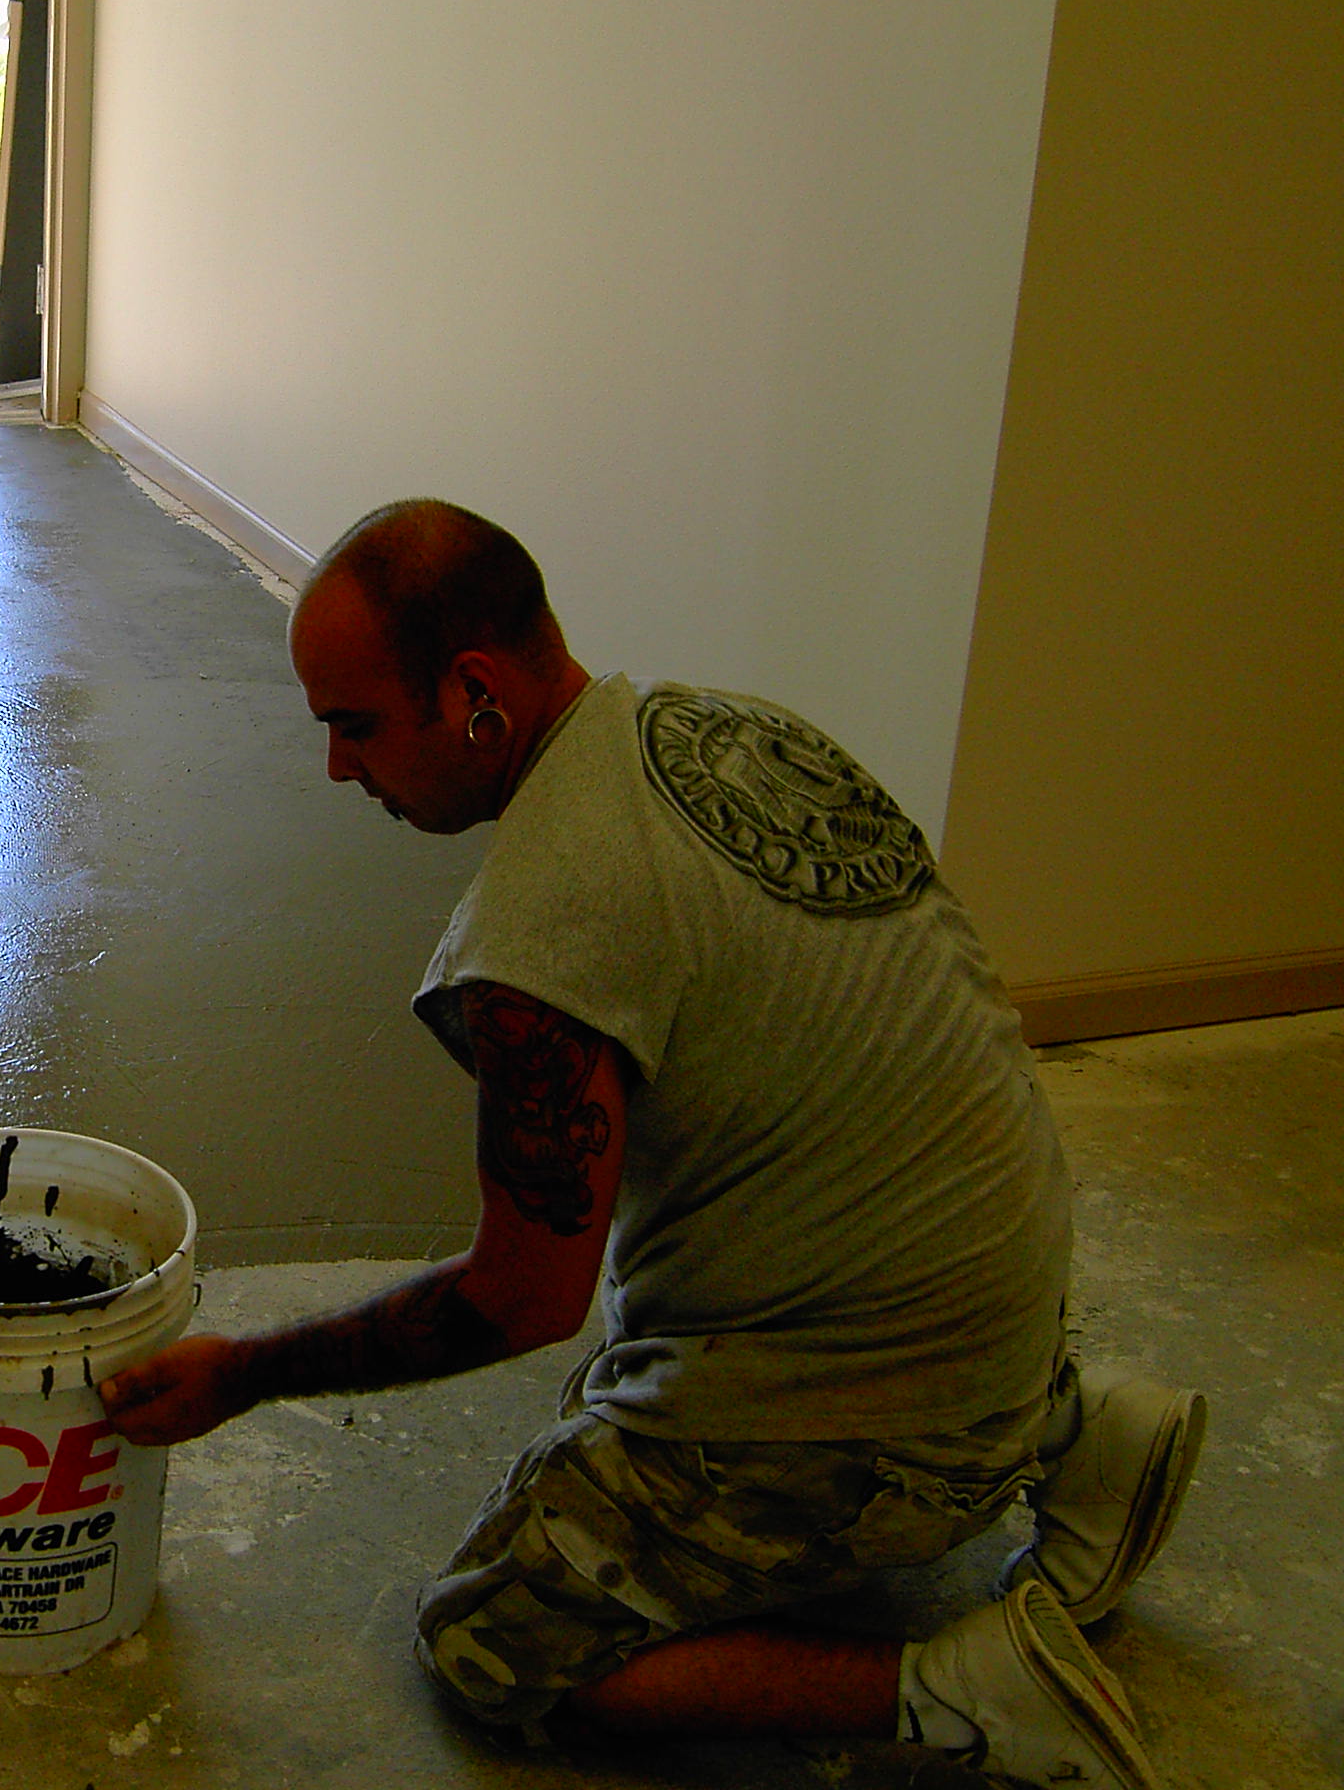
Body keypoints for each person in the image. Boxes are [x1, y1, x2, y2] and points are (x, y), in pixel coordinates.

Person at [97, 500, 1205, 1787]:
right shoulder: (723, 734)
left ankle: (963, 1686)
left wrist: (242, 1374)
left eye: (356, 726)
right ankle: (1071, 1428)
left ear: (474, 695)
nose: (340, 770)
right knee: (627, 1363)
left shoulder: (546, 929)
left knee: (492, 1643)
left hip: (905, 1404)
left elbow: (523, 1298)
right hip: (1002, 1293)